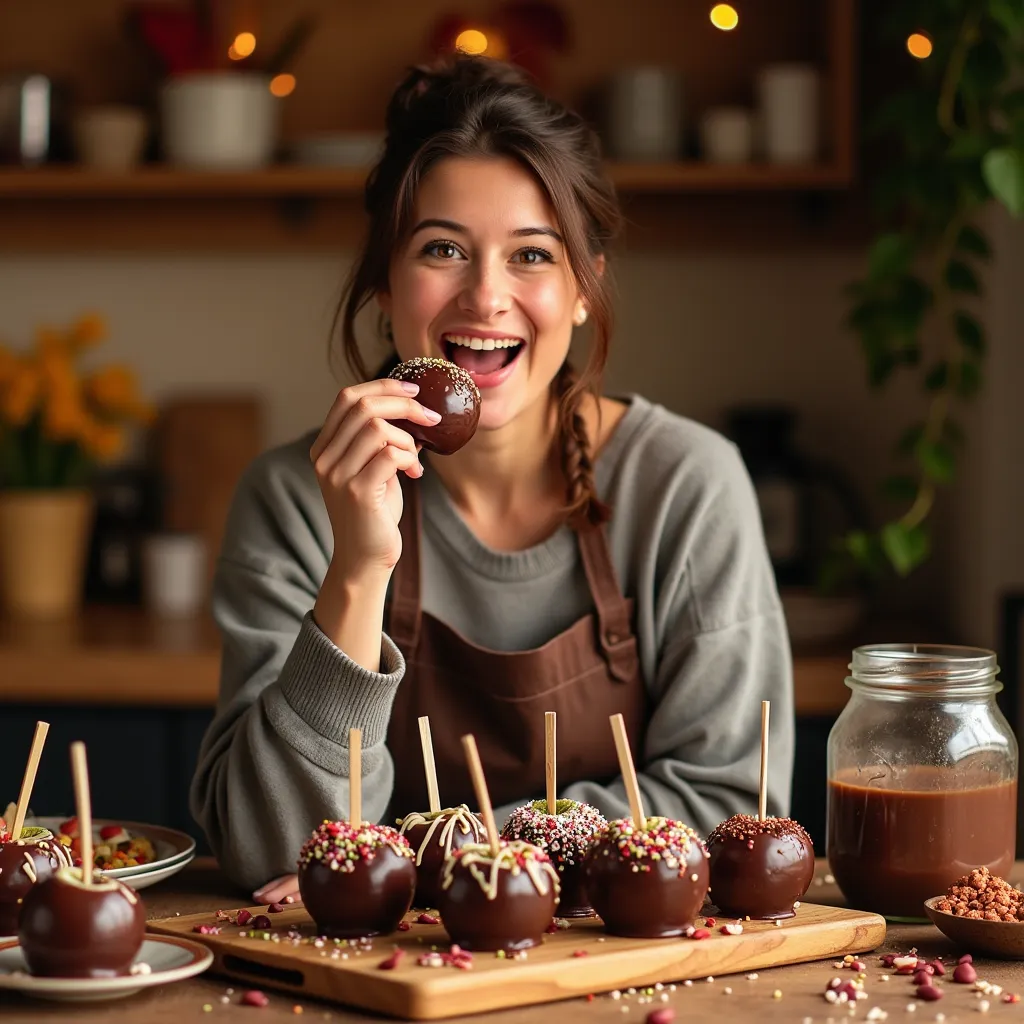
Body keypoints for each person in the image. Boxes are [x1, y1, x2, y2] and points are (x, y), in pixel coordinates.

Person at [190, 56, 793, 903]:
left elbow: (730, 808)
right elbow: (270, 847)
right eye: (443, 249)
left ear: (585, 290)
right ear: (383, 285)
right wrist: (358, 569)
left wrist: (433, 854)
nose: (486, 296)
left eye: (532, 255)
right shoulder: (293, 498)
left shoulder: (687, 484)